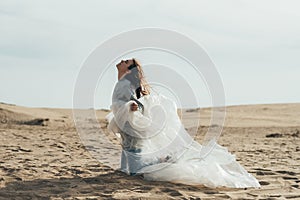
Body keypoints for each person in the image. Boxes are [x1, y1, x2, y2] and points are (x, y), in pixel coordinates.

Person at [106, 58, 260, 188]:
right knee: (126, 153)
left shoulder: (125, 83)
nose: (122, 61)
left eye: (126, 61)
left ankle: (165, 160)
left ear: (129, 70)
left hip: (133, 124)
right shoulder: (123, 82)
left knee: (136, 170)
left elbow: (138, 104)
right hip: (127, 123)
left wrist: (132, 108)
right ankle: (149, 162)